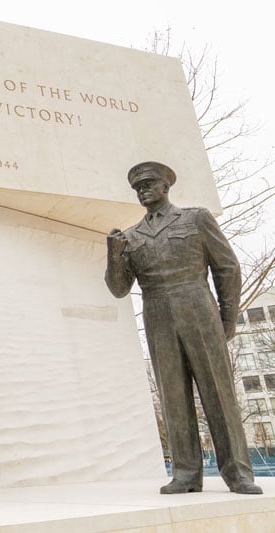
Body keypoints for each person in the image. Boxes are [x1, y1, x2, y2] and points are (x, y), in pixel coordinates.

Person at [105, 161, 262, 495]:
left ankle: (238, 473)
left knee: (218, 391)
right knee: (172, 395)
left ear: (165, 186)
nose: (143, 191)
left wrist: (227, 318)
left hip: (198, 305)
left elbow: (227, 268)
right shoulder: (131, 236)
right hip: (157, 313)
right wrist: (114, 254)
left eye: (149, 184)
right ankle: (186, 474)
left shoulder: (196, 218)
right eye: (138, 188)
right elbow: (118, 289)